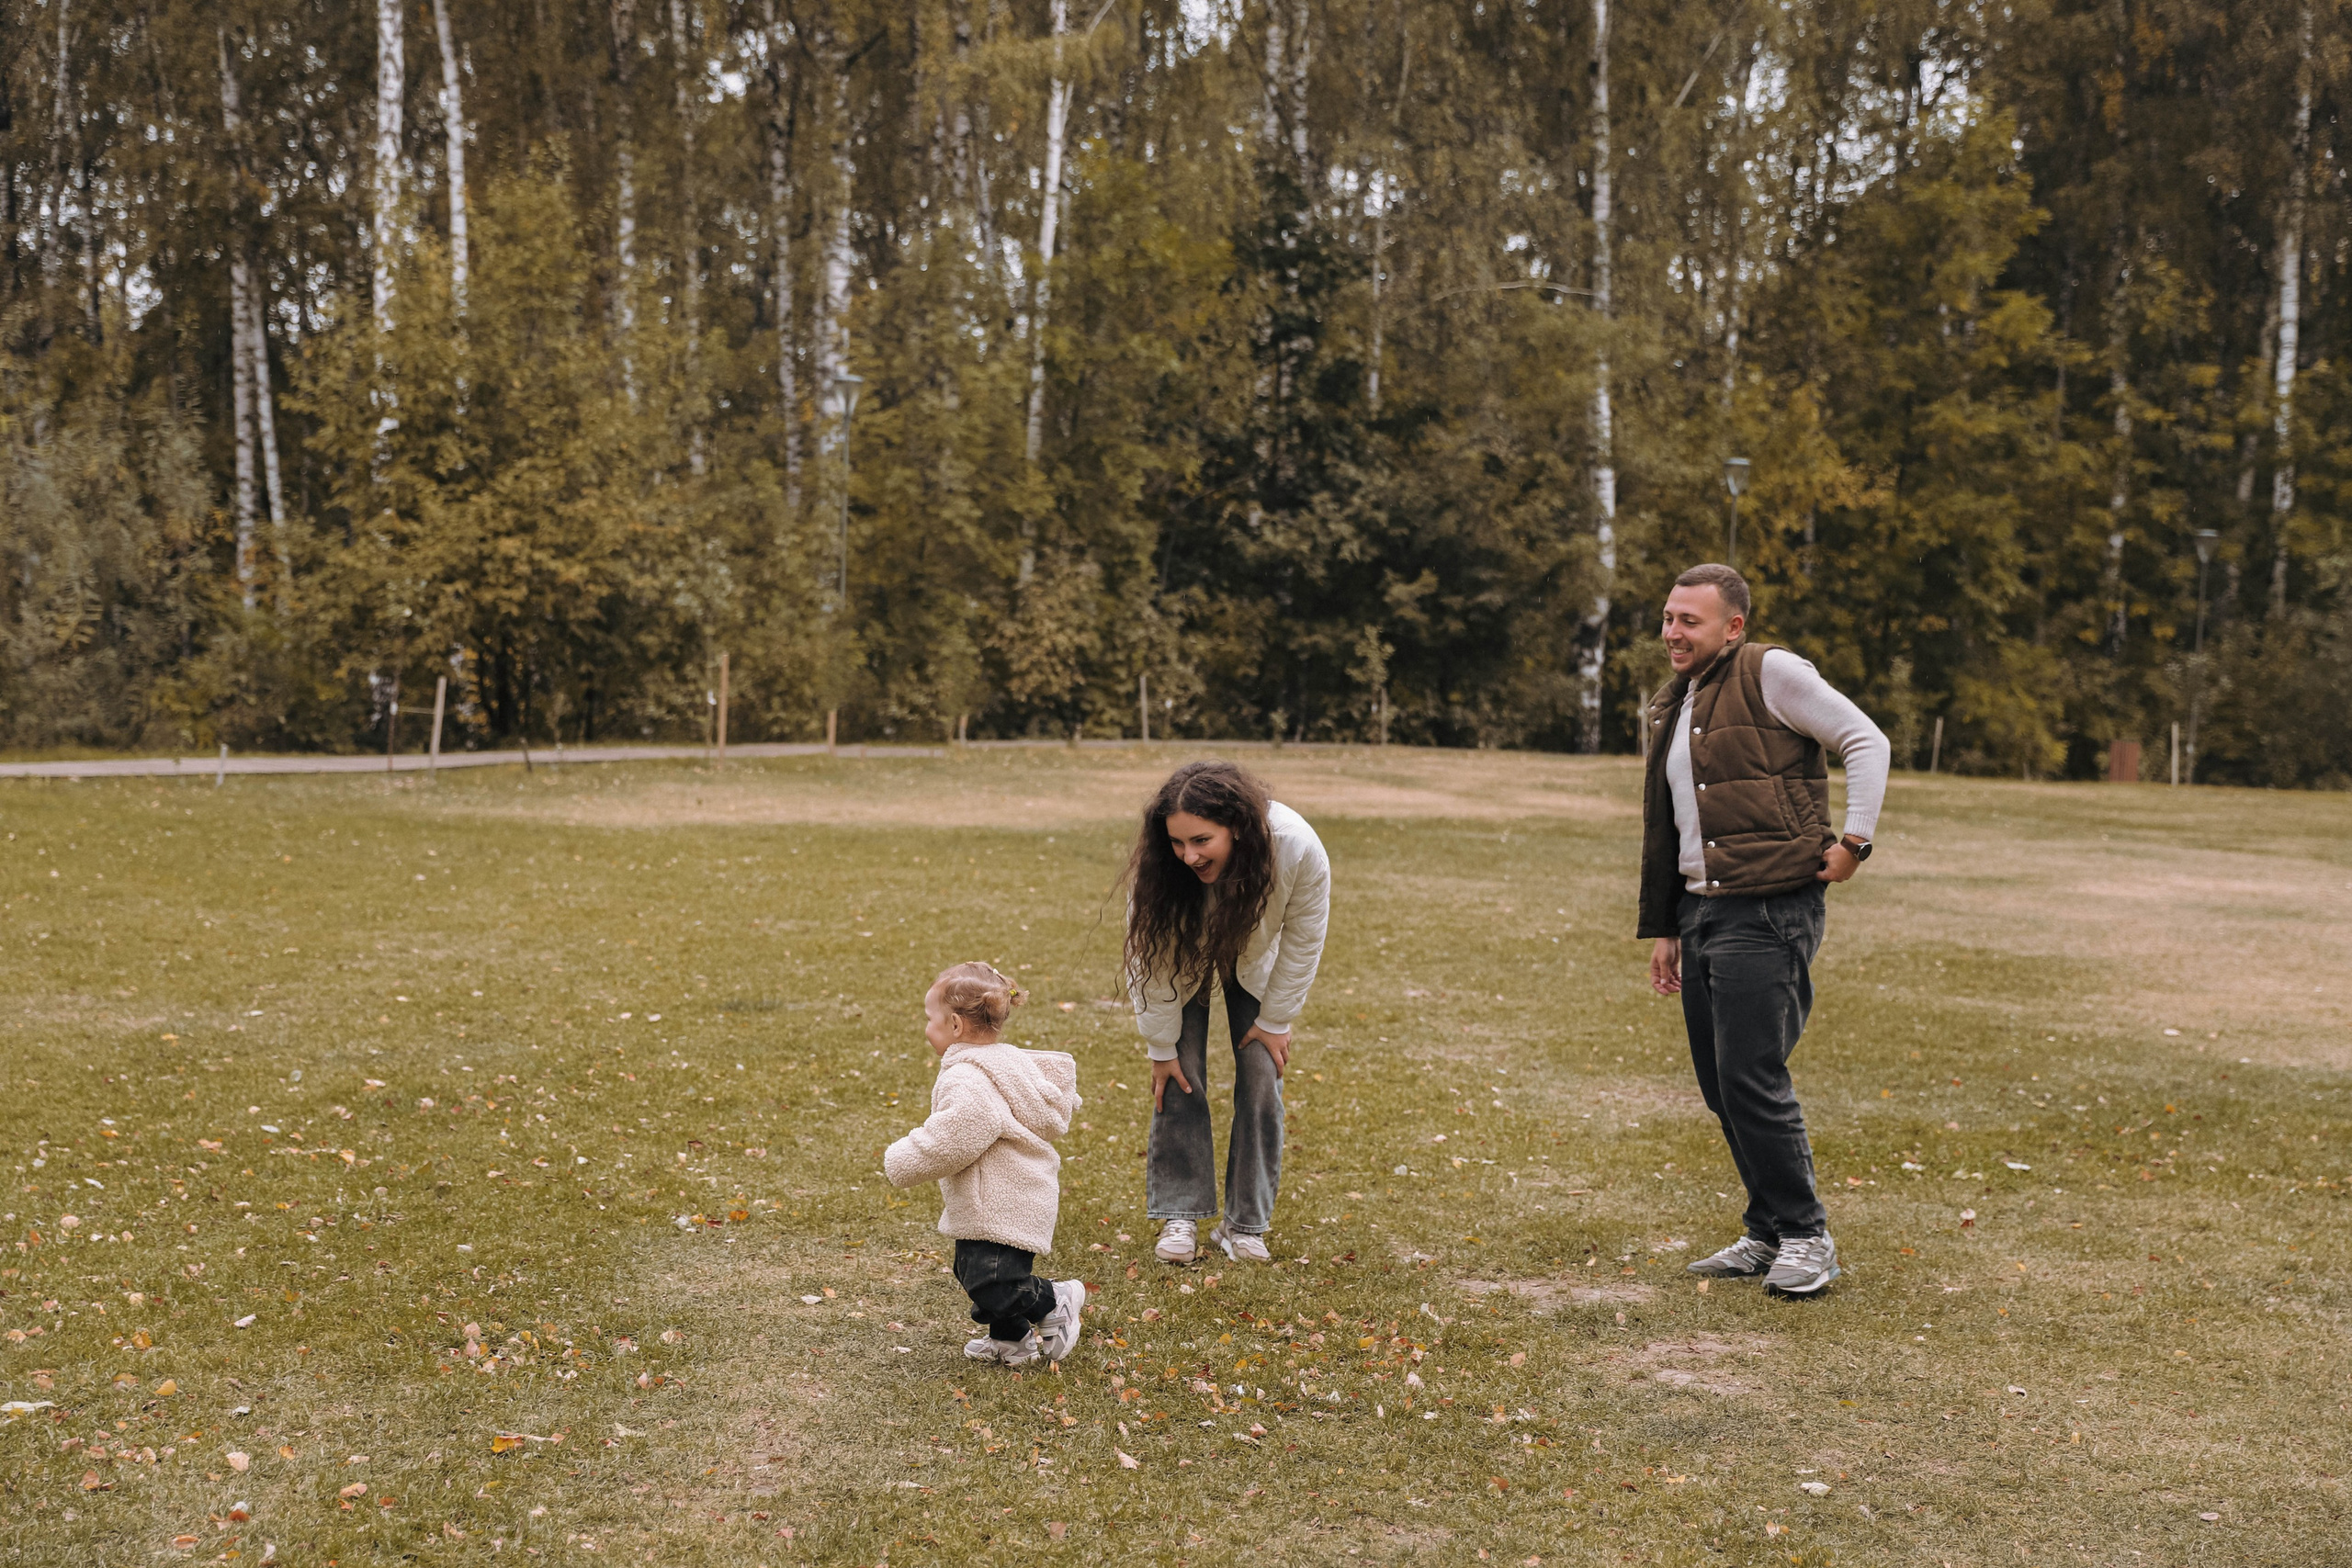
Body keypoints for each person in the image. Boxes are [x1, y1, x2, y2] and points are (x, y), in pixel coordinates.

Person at [1638, 563, 1889, 1297]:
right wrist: (1668, 924)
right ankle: (1768, 1230)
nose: (1673, 632)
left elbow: (1864, 740)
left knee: (1752, 1074)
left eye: (1690, 620)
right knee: (1722, 1084)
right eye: (1668, 617)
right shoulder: (1677, 699)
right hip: (1703, 908)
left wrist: (1856, 842)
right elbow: (1675, 820)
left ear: (1734, 625)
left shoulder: (1769, 671)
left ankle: (1808, 1235)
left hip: (1770, 906)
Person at [1125, 761, 1329, 1266]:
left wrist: (1275, 1018)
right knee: (1180, 1073)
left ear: (1236, 825)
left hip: (1257, 958)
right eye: (1178, 843)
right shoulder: (1163, 871)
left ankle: (1243, 1226)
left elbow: (1303, 941)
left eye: (1201, 840)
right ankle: (1180, 1213)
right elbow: (1147, 963)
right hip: (1181, 958)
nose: (1188, 856)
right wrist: (1161, 1047)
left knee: (1262, 1078)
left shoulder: (1297, 848)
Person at [883, 961, 1088, 1365]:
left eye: (930, 1019)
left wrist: (902, 1158)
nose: (926, 1028)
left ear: (956, 1025)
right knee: (972, 1271)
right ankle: (1011, 1340)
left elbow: (953, 1137)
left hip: (1004, 1196)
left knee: (995, 1279)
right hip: (997, 1195)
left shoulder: (970, 1078)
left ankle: (1055, 1300)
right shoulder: (1000, 1063)